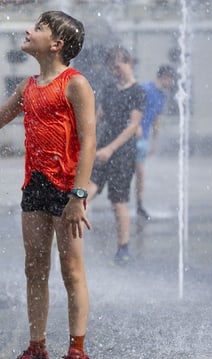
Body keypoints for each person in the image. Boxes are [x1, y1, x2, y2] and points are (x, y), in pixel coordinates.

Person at [0, 11, 95, 359]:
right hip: (35, 186)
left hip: (66, 189)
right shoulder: (26, 86)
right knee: (34, 267)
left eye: (39, 28)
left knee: (71, 269)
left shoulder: (75, 83)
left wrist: (78, 195)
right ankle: (37, 345)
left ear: (56, 44)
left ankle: (77, 348)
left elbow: (88, 142)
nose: (29, 30)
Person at [86, 46, 145, 266]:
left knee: (117, 201)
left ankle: (123, 248)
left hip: (122, 150)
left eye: (118, 67)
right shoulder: (109, 89)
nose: (114, 72)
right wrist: (84, 134)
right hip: (102, 146)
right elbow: (99, 116)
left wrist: (111, 149)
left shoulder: (138, 91)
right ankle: (69, 235)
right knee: (87, 188)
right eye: (112, 68)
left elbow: (133, 126)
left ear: (128, 63)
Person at [134, 65, 176, 220]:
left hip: (144, 138)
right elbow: (133, 108)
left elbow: (156, 119)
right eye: (171, 79)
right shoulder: (145, 89)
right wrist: (136, 125)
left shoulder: (162, 96)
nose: (172, 84)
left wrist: (154, 141)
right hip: (132, 135)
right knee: (130, 170)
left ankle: (139, 204)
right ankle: (120, 202)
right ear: (165, 76)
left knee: (140, 172)